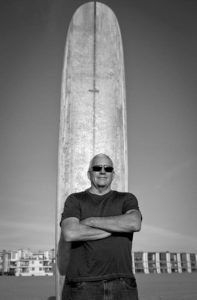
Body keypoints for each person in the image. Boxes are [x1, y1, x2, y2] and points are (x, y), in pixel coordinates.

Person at [60, 153, 142, 300]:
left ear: (113, 174)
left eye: (108, 168)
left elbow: (134, 223)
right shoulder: (75, 199)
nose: (103, 171)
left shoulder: (126, 199)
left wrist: (90, 221)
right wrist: (117, 227)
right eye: (97, 167)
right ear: (89, 174)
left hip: (122, 283)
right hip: (82, 284)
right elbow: (70, 233)